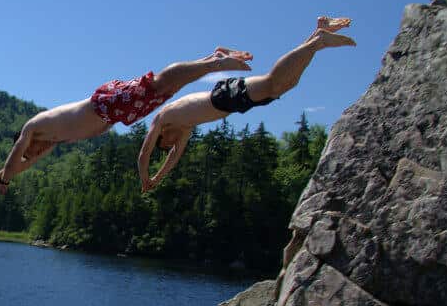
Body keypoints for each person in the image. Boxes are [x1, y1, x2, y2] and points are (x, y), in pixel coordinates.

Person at [0, 46, 255, 193]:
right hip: (117, 114)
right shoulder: (55, 140)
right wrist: (1, 179)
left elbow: (17, 155)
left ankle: (213, 63)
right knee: (166, 91)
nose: (31, 154)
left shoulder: (33, 127)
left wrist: (5, 178)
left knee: (158, 84)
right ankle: (209, 58)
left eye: (28, 151)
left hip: (106, 103)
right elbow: (22, 164)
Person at [137, 16, 355, 192]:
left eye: (166, 143)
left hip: (222, 96)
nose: (172, 143)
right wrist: (157, 178)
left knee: (273, 82)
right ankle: (317, 36)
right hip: (231, 104)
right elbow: (175, 156)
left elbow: (145, 152)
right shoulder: (185, 129)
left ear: (161, 135)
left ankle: (319, 41)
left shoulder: (162, 118)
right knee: (284, 85)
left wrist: (144, 176)